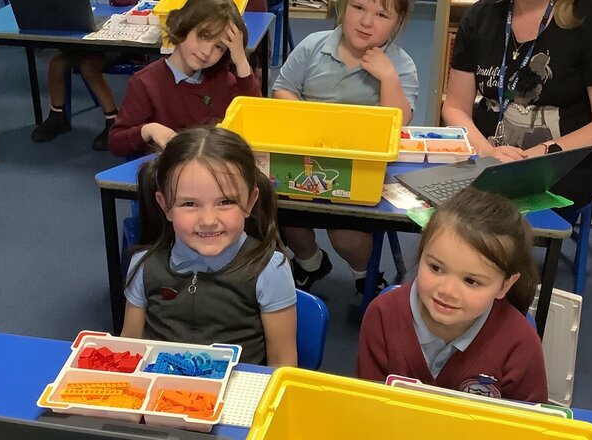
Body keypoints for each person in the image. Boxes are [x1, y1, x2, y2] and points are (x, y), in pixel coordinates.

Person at [271, 0, 419, 295]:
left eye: (381, 15)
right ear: (342, 8)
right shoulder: (314, 45)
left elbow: (399, 122)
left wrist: (388, 77)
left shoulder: (400, 64)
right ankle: (310, 262)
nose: (366, 22)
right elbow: (282, 89)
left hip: (360, 173)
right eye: (358, 7)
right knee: (284, 216)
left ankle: (364, 274)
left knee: (346, 237)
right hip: (305, 161)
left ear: (397, 21)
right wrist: (309, 119)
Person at [120, 127, 298, 367]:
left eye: (225, 202)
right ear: (165, 205)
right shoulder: (144, 264)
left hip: (236, 399)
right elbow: (128, 350)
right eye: (190, 203)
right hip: (158, 396)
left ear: (250, 201)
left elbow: (282, 362)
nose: (208, 220)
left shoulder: (269, 269)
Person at [356, 187, 548, 403]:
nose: (447, 291)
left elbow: (528, 424)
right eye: (436, 268)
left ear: (505, 285)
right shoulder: (383, 315)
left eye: (471, 281)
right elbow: (369, 405)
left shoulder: (520, 344)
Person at [441, 0, 592, 213]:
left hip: (559, 168)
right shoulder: (479, 17)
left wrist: (538, 155)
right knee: (441, 211)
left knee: (486, 220)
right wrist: (485, 151)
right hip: (487, 160)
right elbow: (455, 107)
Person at [108, 0, 261, 158]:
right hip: (169, 173)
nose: (207, 52)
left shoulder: (221, 77)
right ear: (184, 26)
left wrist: (241, 61)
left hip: (213, 167)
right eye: (203, 36)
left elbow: (255, 120)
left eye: (218, 47)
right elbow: (116, 143)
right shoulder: (145, 83)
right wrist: (148, 130)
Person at [31, 51, 119, 151]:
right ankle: (58, 116)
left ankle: (113, 121)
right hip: (83, 47)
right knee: (56, 63)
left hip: (113, 48)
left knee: (88, 66)